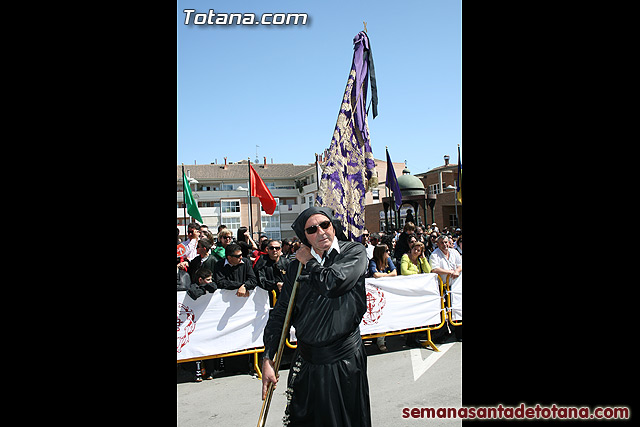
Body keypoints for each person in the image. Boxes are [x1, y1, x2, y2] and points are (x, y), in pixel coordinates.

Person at [261, 206, 371, 427]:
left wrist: (309, 262)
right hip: (307, 361)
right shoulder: (296, 267)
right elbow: (282, 312)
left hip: (343, 362)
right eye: (312, 229)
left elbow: (334, 283)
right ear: (305, 237)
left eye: (325, 225)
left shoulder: (354, 252)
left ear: (333, 226)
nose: (320, 232)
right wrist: (268, 357)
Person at [254, 239, 290, 305]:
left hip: (285, 296)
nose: (274, 250)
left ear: (281, 249)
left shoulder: (286, 262)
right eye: (271, 248)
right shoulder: (262, 262)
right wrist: (275, 284)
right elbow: (260, 280)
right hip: (266, 298)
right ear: (267, 249)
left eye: (277, 248)